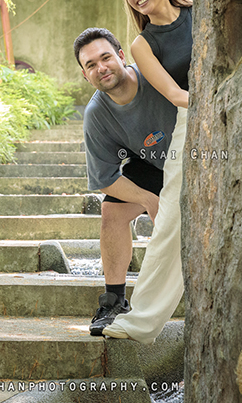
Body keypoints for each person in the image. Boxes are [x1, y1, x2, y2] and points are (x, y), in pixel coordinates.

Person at [101, 0, 193, 343]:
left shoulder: (200, 13)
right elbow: (174, 94)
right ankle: (140, 321)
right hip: (191, 120)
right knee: (170, 219)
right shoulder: (141, 45)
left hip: (241, 115)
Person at [73, 27, 179, 337]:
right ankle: (115, 300)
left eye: (105, 58)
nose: (100, 68)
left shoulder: (153, 75)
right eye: (90, 65)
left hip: (195, 156)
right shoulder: (96, 114)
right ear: (85, 76)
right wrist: (149, 200)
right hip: (153, 165)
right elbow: (105, 178)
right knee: (113, 212)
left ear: (122, 56)